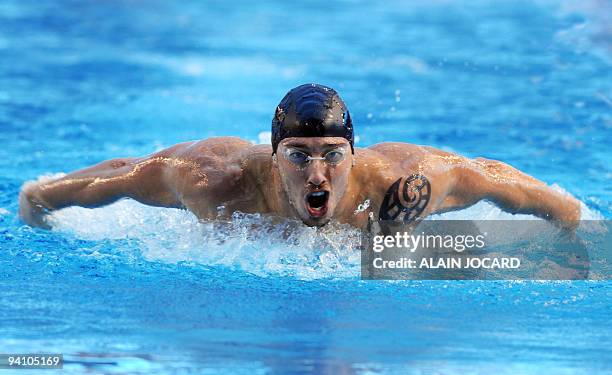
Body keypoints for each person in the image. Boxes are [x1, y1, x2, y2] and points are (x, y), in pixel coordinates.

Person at [19, 83, 581, 231]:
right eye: (299, 156)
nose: (318, 173)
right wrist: (39, 199)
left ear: (353, 153)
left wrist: (565, 215)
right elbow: (124, 173)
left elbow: (486, 174)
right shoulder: (215, 183)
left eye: (333, 155)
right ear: (273, 154)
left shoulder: (397, 187)